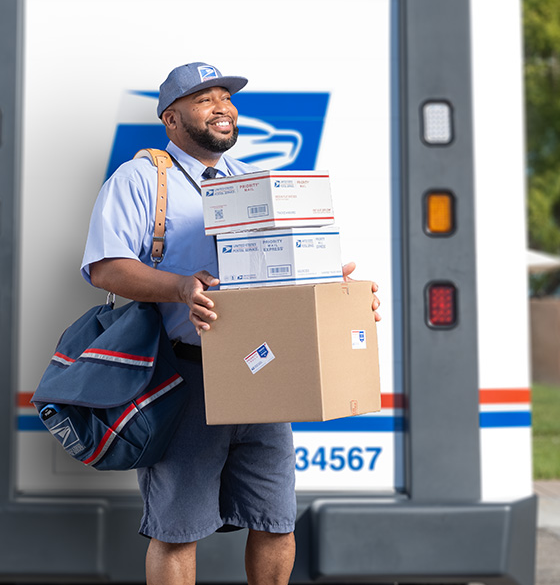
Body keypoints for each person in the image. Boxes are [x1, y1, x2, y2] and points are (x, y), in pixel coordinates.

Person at [80, 62, 380, 585]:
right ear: (171, 120)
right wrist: (179, 286)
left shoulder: (249, 183)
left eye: (226, 97)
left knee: (275, 520)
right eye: (205, 99)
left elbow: (282, 271)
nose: (222, 107)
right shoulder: (140, 178)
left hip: (263, 373)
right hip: (184, 376)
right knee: (176, 530)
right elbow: (105, 266)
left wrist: (337, 293)